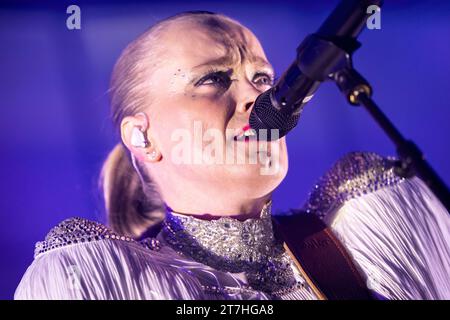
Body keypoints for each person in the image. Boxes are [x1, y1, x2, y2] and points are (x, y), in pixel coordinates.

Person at [15, 11, 450, 300]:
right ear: (142, 137)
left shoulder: (370, 234)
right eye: (213, 79)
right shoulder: (97, 281)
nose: (256, 96)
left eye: (261, 77)